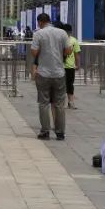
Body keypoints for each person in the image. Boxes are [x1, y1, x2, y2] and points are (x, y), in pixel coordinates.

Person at [31, 13, 71, 141]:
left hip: (43, 73)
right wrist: (60, 54)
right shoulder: (62, 33)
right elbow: (69, 50)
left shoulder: (38, 34)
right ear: (49, 21)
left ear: (40, 22)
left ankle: (45, 131)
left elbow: (34, 52)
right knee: (59, 104)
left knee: (43, 103)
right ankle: (60, 133)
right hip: (59, 73)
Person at [61, 23, 81, 109]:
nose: (67, 33)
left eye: (68, 32)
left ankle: (71, 102)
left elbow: (77, 53)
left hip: (70, 66)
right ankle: (61, 103)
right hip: (60, 66)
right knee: (61, 85)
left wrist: (77, 64)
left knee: (70, 84)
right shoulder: (60, 40)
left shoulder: (74, 40)